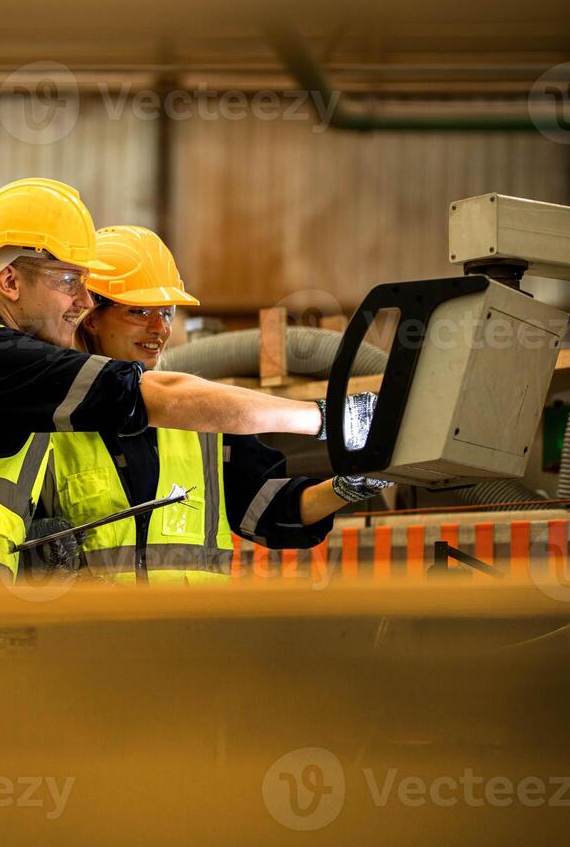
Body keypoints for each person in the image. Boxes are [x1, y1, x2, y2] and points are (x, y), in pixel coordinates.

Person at [0, 178, 336, 588]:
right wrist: (324, 418)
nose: (84, 301)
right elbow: (153, 394)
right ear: (8, 281)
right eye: (69, 282)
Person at [39, 225, 385, 584]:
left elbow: (270, 510)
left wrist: (349, 486)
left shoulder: (203, 422)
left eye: (168, 312)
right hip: (91, 637)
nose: (160, 329)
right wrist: (36, 548)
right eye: (139, 312)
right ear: (91, 317)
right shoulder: (49, 420)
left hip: (194, 636)